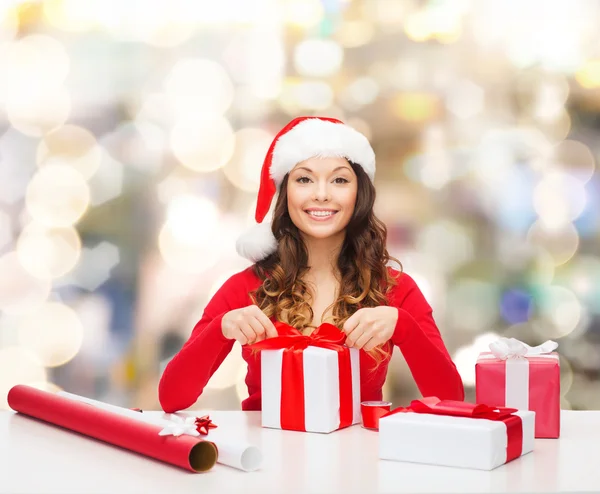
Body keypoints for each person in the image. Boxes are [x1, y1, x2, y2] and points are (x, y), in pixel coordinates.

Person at [158, 116, 464, 413]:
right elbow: (172, 398)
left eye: (339, 180)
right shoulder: (243, 288)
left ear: (359, 194)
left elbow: (451, 398)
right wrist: (220, 329)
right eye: (304, 179)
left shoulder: (396, 289)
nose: (321, 194)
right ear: (284, 192)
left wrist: (403, 327)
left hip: (357, 461)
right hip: (265, 460)